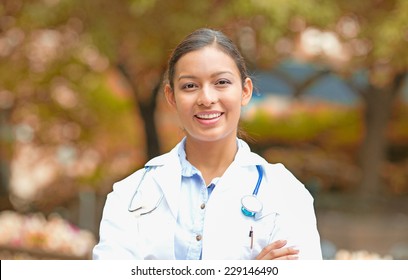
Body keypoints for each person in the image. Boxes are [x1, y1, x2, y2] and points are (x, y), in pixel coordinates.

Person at [93, 28, 322, 260]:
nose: (206, 99)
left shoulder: (286, 193)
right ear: (171, 97)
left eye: (221, 82)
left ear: (245, 91)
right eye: (190, 86)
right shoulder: (129, 195)